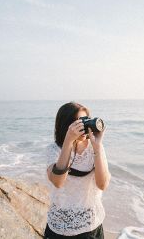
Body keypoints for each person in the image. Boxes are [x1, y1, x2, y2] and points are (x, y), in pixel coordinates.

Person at [44, 102, 111, 239]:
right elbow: (58, 182)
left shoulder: (95, 148)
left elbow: (102, 184)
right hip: (59, 227)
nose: (84, 127)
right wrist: (68, 141)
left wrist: (97, 147)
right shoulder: (53, 149)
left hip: (90, 225)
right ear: (66, 125)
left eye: (86, 121)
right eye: (79, 123)